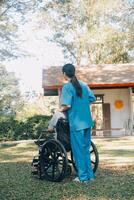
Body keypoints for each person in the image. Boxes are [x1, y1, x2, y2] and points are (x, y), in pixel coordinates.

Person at [59, 63, 96, 183]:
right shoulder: (84, 85)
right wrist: (82, 105)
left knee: (78, 150)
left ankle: (83, 177)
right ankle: (90, 176)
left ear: (64, 74)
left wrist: (59, 110)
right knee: (85, 149)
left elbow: (67, 105)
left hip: (76, 123)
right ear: (74, 72)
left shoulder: (67, 87)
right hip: (87, 122)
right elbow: (92, 99)